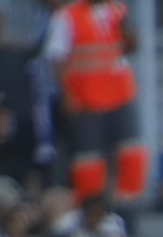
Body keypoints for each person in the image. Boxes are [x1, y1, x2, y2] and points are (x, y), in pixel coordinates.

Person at [45, 0, 145, 202]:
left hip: (120, 93)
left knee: (131, 149)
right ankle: (90, 204)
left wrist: (132, 35)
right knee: (88, 157)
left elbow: (131, 47)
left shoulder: (119, 10)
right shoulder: (67, 16)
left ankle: (129, 202)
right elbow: (57, 57)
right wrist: (68, 95)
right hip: (86, 98)